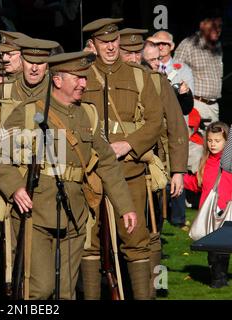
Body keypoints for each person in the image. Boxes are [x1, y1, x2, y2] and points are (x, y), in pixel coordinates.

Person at [0, 51, 137, 299]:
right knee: (41, 288)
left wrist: (126, 207)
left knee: (66, 291)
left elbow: (108, 163)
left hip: (75, 213)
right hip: (35, 212)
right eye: (77, 78)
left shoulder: (88, 115)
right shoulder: (29, 113)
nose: (83, 84)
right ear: (58, 80)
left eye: (84, 78)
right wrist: (15, 187)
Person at [81, 18, 163, 300]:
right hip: (90, 174)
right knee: (89, 244)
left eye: (114, 41)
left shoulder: (139, 76)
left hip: (129, 171)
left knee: (136, 240)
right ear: (93, 45)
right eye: (104, 42)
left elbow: (154, 122)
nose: (111, 47)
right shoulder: (82, 75)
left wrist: (128, 144)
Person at [142, 41, 189, 229]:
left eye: (158, 58)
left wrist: (184, 94)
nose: (157, 63)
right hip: (141, 154)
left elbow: (180, 117)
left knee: (156, 217)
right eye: (151, 59)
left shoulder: (162, 80)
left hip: (161, 156)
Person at [184, 121, 231, 288]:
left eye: (217, 141)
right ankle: (218, 276)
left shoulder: (228, 165)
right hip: (207, 213)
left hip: (225, 212)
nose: (213, 144)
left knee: (223, 249)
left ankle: (219, 279)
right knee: (212, 250)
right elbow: (197, 183)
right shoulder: (206, 162)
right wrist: (179, 179)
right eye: (210, 140)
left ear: (226, 142)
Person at [174, 10, 223, 124]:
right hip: (196, 105)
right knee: (195, 142)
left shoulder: (218, 46)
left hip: (214, 106)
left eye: (220, 26)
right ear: (202, 25)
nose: (218, 29)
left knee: (214, 141)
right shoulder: (189, 44)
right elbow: (175, 72)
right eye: (213, 25)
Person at [147, 31, 194, 116]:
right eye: (158, 44)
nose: (160, 47)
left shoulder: (184, 69)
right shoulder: (147, 68)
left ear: (171, 46)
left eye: (164, 44)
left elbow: (189, 103)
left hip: (177, 119)